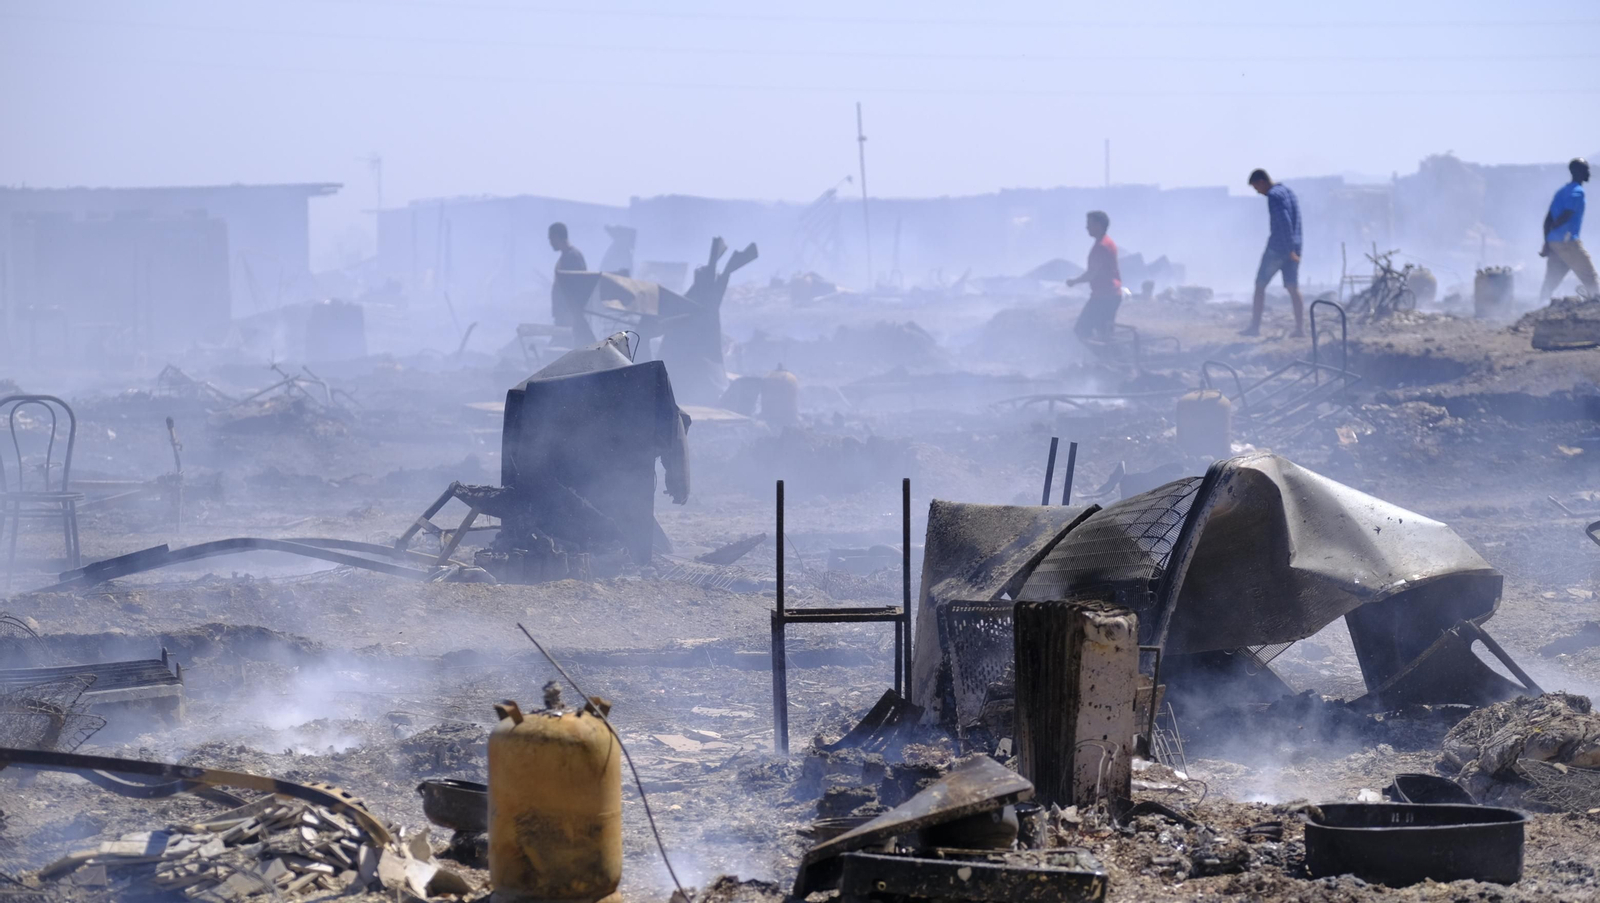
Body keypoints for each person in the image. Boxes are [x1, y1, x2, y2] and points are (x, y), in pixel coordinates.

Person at [1242, 169, 1305, 337]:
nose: (1257, 192)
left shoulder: (1274, 196)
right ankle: (1300, 330)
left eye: (1256, 187)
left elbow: (1284, 221)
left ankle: (1254, 328)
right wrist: (1294, 248)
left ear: (1262, 181)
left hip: (1278, 248)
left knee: (1260, 285)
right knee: (1293, 287)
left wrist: (1288, 248)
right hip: (1296, 246)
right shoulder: (1288, 192)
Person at [1539, 158, 1597, 302]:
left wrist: (1547, 242)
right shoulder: (1578, 192)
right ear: (1578, 172)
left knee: (1551, 281)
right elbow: (1567, 213)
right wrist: (1557, 227)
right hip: (1568, 243)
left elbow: (1548, 219)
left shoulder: (1561, 192)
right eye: (1586, 170)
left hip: (1555, 243)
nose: (1589, 173)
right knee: (1590, 277)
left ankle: (1538, 307)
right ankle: (1597, 309)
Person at [1067, 210, 1122, 341]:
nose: (1087, 227)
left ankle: (1110, 358)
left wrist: (1074, 282)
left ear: (1098, 225)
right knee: (1103, 332)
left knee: (1082, 329)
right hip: (1108, 294)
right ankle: (1111, 359)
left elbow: (1092, 273)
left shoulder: (1102, 246)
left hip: (1104, 296)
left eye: (1089, 224)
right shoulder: (1105, 243)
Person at [548, 222, 591, 337]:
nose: (550, 243)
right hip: (563, 315)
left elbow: (579, 287)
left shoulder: (573, 257)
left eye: (551, 238)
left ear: (557, 237)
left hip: (569, 315)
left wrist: (572, 314)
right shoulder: (565, 256)